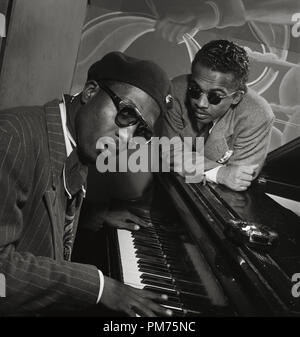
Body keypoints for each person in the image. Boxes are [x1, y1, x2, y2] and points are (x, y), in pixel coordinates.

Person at [0, 51, 174, 316]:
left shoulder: (78, 143)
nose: (127, 138)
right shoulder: (12, 137)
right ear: (91, 91)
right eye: (126, 113)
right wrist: (100, 287)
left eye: (140, 131)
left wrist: (95, 217)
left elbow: (42, 213)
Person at [161, 39, 274, 191]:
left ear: (237, 97)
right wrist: (219, 173)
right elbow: (168, 152)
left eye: (215, 97)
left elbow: (239, 178)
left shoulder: (258, 115)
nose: (201, 103)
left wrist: (191, 163)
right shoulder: (176, 90)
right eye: (195, 90)